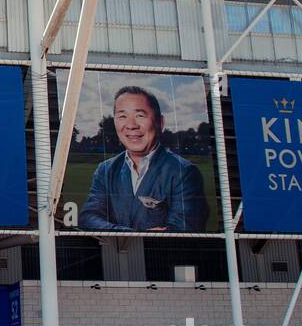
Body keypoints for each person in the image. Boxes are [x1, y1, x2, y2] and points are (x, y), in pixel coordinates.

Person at [79, 86, 209, 231]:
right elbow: (88, 217)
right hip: (113, 252)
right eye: (122, 116)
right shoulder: (105, 170)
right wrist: (126, 235)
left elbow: (185, 226)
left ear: (160, 123)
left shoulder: (183, 172)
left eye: (140, 116)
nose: (131, 125)